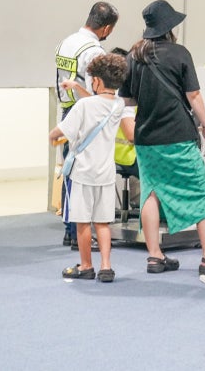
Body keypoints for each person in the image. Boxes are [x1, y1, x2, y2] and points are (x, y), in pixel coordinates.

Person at [119, 0, 205, 275]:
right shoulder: (179, 53)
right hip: (177, 136)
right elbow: (193, 95)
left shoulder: (133, 56)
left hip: (146, 139)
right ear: (170, 27)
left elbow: (127, 100)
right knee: (204, 192)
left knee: (152, 192)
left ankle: (155, 256)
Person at [50, 53, 134, 283]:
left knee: (83, 222)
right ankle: (106, 266)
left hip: (83, 173)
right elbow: (98, 102)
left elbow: (60, 131)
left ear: (96, 80)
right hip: (106, 173)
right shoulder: (118, 105)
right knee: (102, 222)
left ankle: (86, 265)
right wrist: (79, 87)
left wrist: (52, 135)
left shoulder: (83, 106)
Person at [55, 1, 119, 247]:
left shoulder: (65, 42)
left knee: (70, 168)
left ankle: (70, 229)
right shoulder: (95, 51)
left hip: (67, 110)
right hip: (87, 112)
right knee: (82, 174)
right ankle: (76, 231)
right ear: (106, 28)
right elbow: (97, 90)